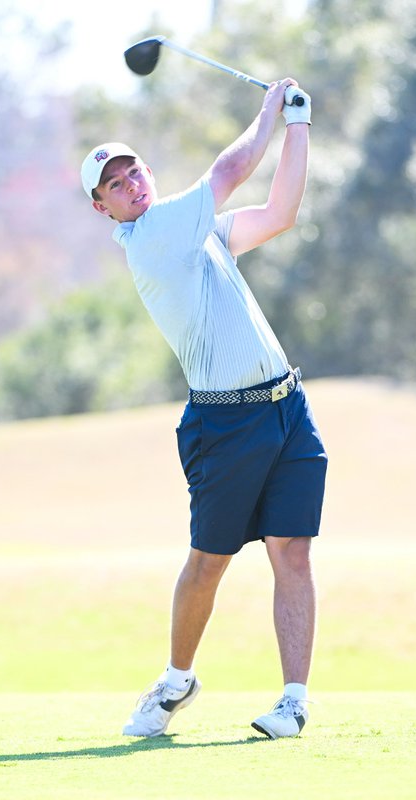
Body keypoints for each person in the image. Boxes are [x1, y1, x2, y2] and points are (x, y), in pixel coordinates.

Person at [79, 78, 325, 738]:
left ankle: (293, 700)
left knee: (293, 554)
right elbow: (230, 169)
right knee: (208, 563)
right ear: (105, 209)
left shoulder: (199, 235)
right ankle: (177, 679)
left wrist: (298, 125)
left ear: (148, 174)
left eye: (134, 172)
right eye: (115, 184)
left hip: (285, 409)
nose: (130, 184)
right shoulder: (154, 237)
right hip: (225, 424)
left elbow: (279, 213)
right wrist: (270, 109)